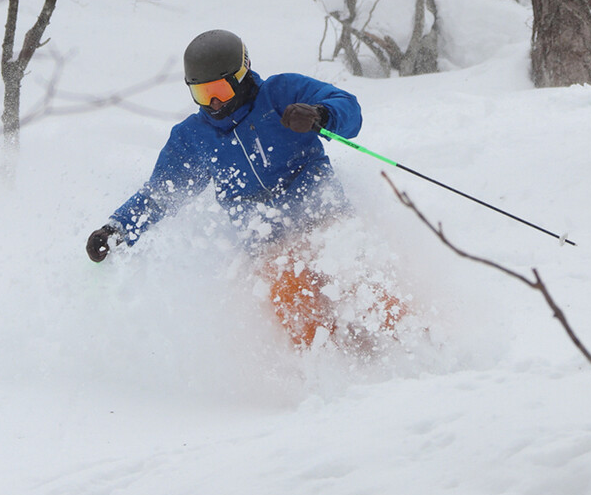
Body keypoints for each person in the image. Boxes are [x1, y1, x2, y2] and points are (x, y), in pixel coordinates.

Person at [86, 30, 401, 350]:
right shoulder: (194, 137)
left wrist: (320, 114)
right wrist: (117, 228)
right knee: (292, 293)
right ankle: (330, 365)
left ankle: (406, 341)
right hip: (268, 242)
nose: (214, 103)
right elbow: (161, 194)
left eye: (219, 89)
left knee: (352, 277)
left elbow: (348, 108)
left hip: (321, 214)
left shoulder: (281, 94)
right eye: (202, 93)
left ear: (242, 74)